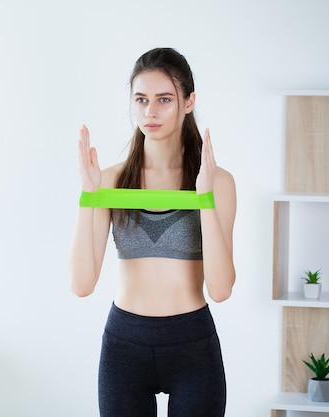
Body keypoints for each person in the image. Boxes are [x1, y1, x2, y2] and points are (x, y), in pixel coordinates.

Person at [69, 47, 236, 417]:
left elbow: (221, 289)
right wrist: (88, 194)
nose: (150, 112)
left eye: (164, 99)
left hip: (193, 345)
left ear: (189, 102)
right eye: (141, 100)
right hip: (125, 345)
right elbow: (81, 284)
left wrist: (204, 197)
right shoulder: (110, 180)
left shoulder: (217, 182)